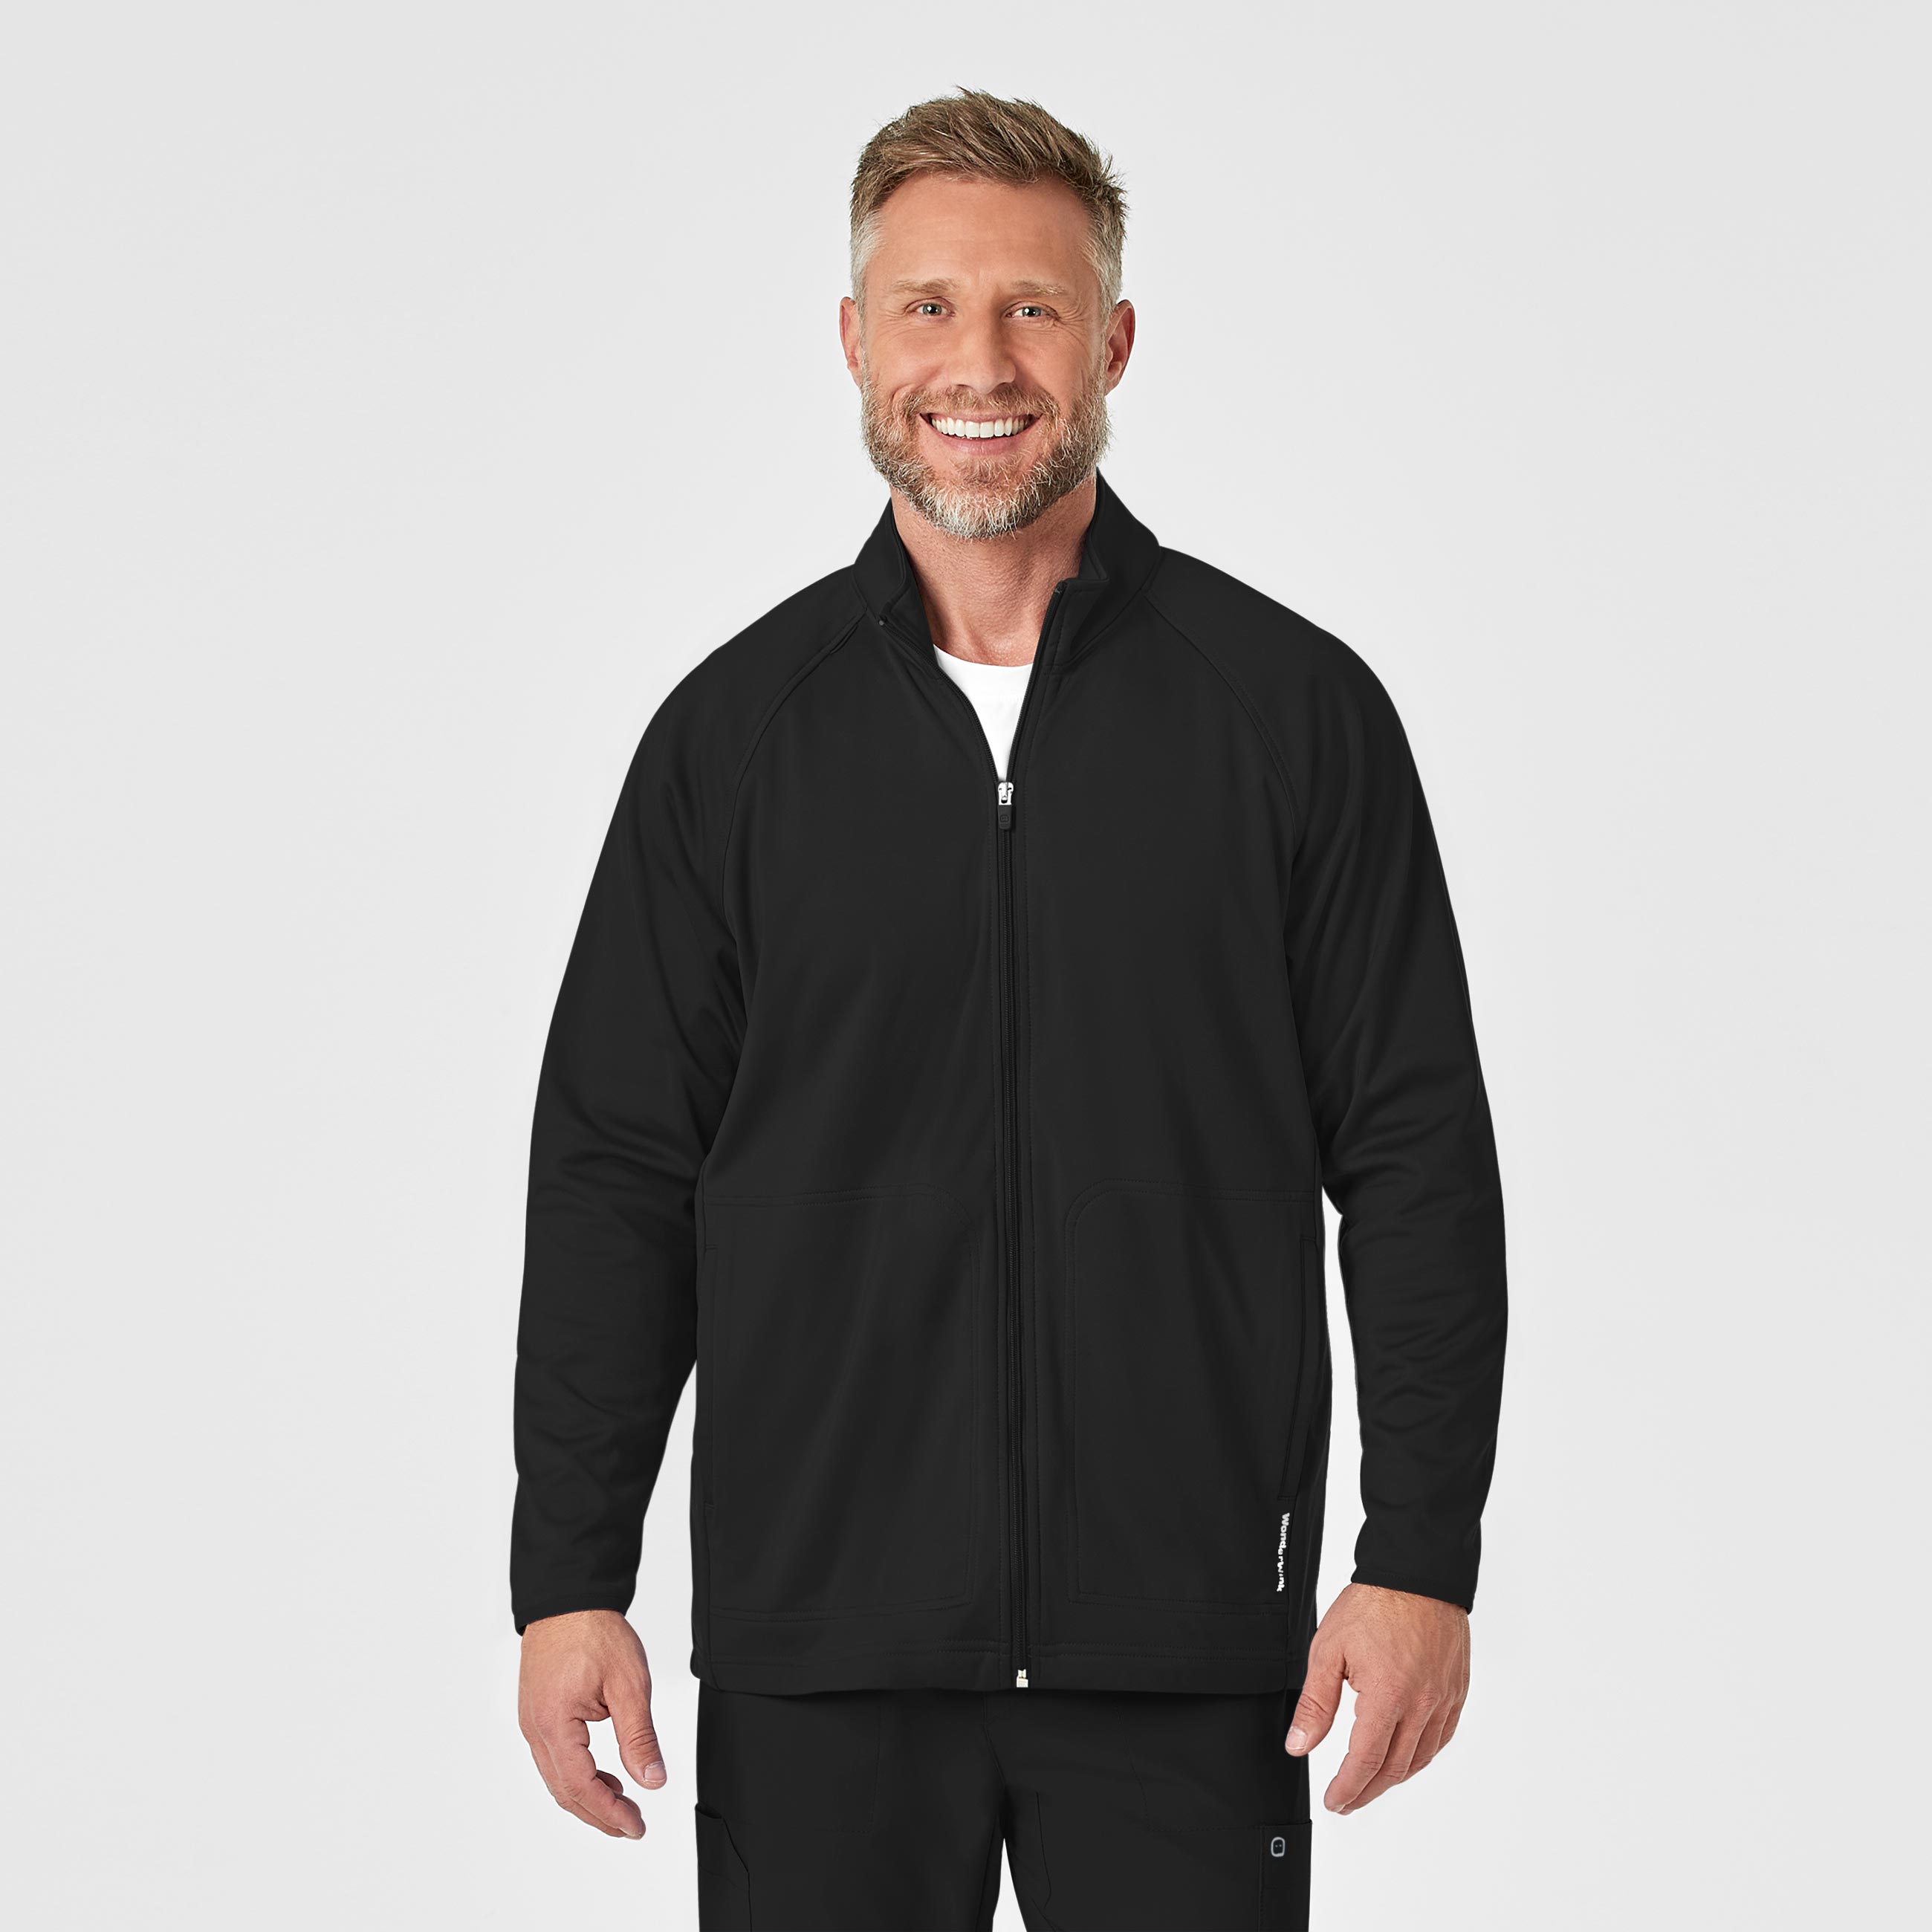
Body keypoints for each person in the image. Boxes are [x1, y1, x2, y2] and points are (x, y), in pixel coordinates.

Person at [511, 87, 1507, 1931]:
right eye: (930, 306)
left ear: (1112, 342)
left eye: (1033, 308)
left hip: (1185, 1641)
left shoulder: (1290, 717)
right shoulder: (734, 743)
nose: (979, 364)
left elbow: (1415, 1150)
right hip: (822, 1647)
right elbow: (615, 1170)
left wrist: (1420, 1554)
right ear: (855, 340)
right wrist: (569, 1573)